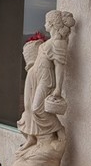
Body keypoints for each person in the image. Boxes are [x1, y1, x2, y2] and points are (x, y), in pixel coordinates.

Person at [17, 10, 75, 152]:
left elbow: (59, 68)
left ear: (52, 24)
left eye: (46, 22)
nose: (44, 25)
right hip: (33, 75)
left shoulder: (59, 43)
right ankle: (31, 138)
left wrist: (58, 89)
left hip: (45, 78)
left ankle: (58, 128)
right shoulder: (49, 41)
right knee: (28, 107)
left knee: (38, 108)